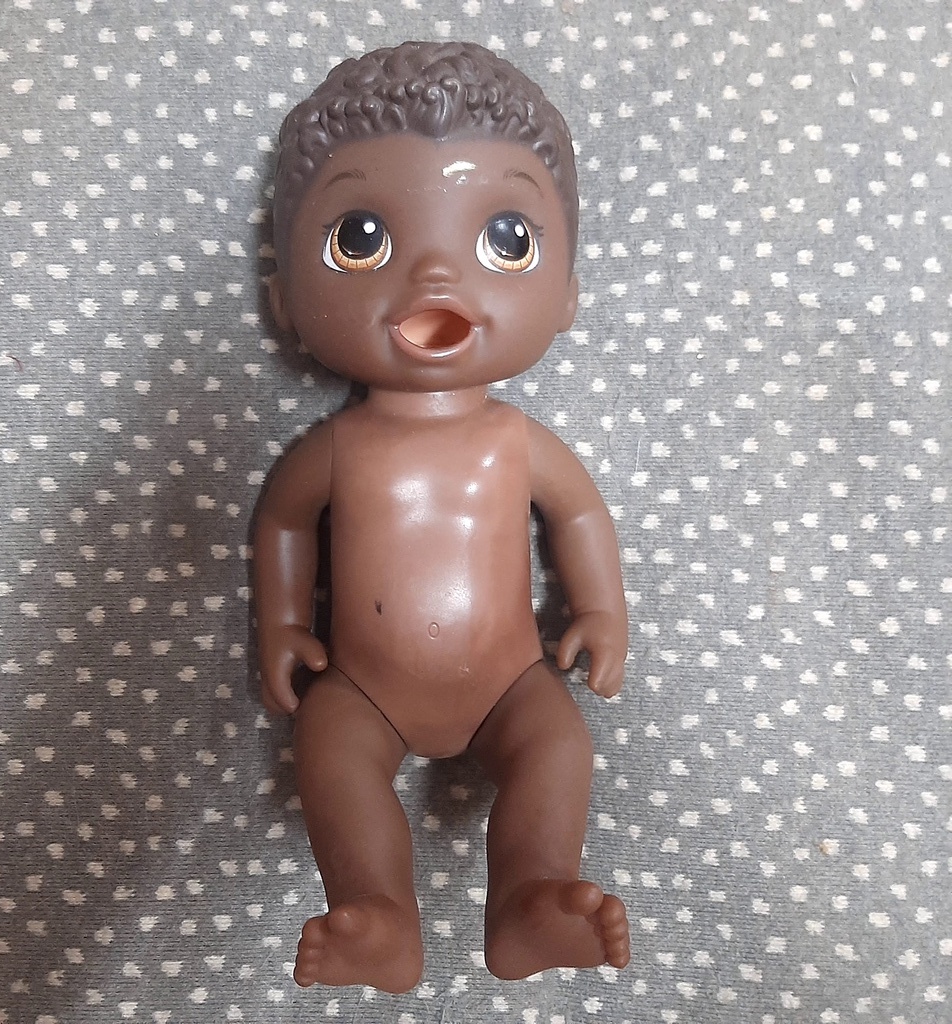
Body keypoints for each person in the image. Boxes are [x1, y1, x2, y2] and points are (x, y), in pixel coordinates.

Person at [254, 40, 630, 993]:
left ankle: (531, 896)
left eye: (506, 240)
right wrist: (282, 625)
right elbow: (284, 525)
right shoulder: (335, 449)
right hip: (363, 688)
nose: (434, 277)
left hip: (510, 680)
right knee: (329, 755)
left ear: (568, 294)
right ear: (285, 300)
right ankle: (378, 911)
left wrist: (601, 609)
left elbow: (581, 516)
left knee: (558, 749)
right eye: (361, 239)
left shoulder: (517, 442)